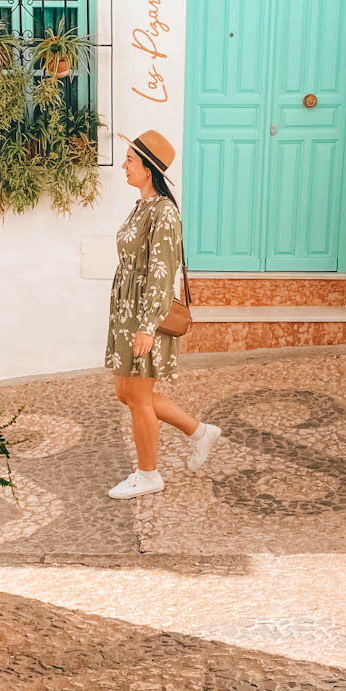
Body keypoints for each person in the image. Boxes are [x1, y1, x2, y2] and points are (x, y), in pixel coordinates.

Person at [105, 130, 221, 499]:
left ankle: (148, 474)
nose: (123, 166)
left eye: (130, 160)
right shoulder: (142, 206)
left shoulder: (164, 214)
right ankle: (200, 432)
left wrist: (147, 327)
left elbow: (161, 272)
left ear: (148, 169)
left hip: (144, 316)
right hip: (127, 314)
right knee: (126, 393)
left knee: (138, 397)